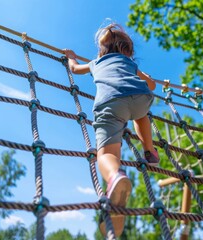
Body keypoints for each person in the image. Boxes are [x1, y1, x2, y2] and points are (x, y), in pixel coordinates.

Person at [64, 23, 160, 237]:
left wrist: (71, 56)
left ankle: (116, 177)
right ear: (128, 51)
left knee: (106, 154)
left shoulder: (95, 62)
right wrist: (145, 77)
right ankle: (149, 150)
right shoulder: (130, 64)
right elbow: (152, 85)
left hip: (110, 104)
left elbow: (74, 69)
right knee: (141, 114)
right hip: (141, 97)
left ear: (101, 50)